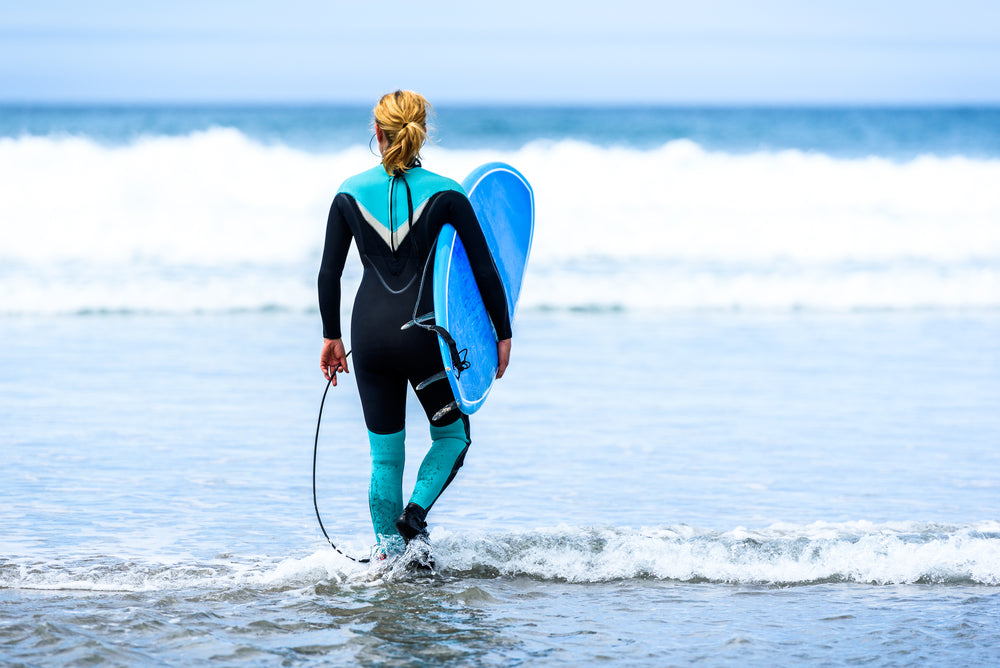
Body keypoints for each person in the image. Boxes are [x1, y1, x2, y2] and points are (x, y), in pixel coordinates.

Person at [318, 90, 512, 558]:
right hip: (426, 336)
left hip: (369, 336)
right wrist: (501, 333)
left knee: (385, 456)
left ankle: (390, 557)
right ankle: (415, 515)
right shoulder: (448, 193)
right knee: (453, 436)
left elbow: (329, 273)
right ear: (422, 131)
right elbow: (484, 268)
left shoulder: (348, 192)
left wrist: (332, 336)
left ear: (378, 132)